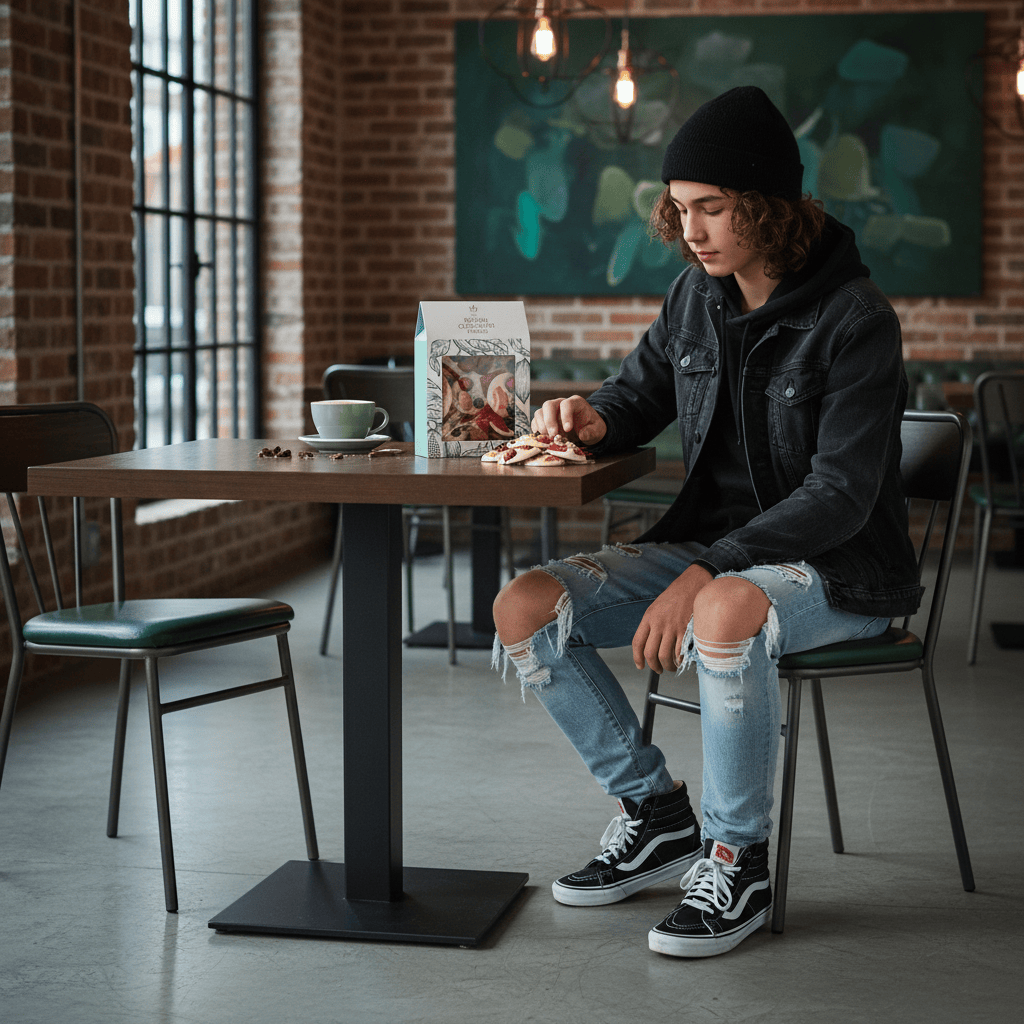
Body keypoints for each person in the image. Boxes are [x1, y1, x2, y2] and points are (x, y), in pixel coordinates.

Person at [491, 86, 922, 958]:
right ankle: (655, 814)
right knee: (525, 608)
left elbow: (839, 494)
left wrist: (710, 571)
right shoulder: (697, 295)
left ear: (767, 206)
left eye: (713, 209)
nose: (692, 230)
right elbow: (640, 394)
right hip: (715, 553)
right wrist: (590, 416)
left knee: (725, 608)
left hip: (841, 568)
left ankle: (738, 857)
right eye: (681, 209)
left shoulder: (856, 321)